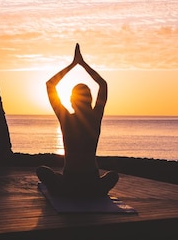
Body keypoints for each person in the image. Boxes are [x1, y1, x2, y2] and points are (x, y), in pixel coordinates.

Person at [37, 43, 118, 197]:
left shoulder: (65, 118)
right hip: (92, 181)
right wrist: (82, 63)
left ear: (72, 101)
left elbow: (50, 85)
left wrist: (73, 64)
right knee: (113, 175)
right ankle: (94, 192)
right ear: (90, 100)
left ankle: (64, 188)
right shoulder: (95, 118)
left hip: (70, 181)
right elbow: (103, 84)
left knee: (42, 171)